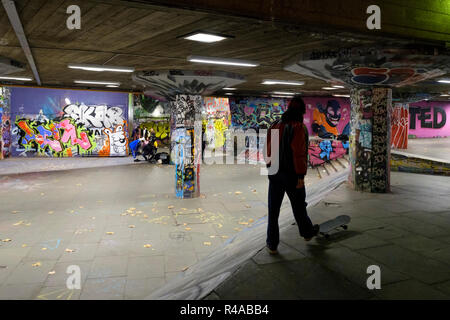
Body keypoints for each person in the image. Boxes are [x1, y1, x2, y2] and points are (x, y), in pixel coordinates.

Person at [264, 96, 319, 255]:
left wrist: (270, 168)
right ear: (301, 112)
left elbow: (267, 151)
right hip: (292, 176)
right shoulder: (298, 128)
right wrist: (300, 177)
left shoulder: (275, 125)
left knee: (273, 211)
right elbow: (299, 154)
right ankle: (307, 233)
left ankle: (272, 244)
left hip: (274, 175)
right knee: (299, 207)